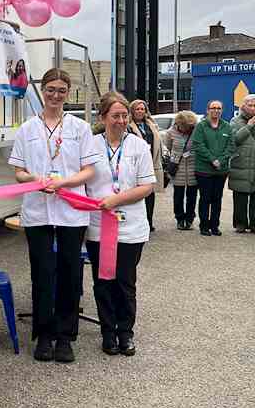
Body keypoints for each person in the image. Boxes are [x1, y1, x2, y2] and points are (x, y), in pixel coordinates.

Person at [9, 68, 100, 363]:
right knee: (42, 274)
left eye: (61, 90)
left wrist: (62, 183)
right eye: (50, 89)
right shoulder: (27, 128)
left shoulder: (79, 127)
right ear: (42, 90)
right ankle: (44, 335)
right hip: (38, 211)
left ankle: (65, 336)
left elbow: (89, 170)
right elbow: (19, 171)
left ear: (67, 93)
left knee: (71, 275)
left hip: (72, 211)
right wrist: (35, 181)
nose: (55, 95)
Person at [85, 92, 156, 356]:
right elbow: (81, 181)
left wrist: (115, 199)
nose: (121, 120)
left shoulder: (138, 146)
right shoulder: (90, 145)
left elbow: (147, 186)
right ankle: (108, 333)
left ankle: (125, 332)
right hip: (98, 225)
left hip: (130, 227)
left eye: (125, 115)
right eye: (116, 116)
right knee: (103, 280)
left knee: (125, 282)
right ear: (103, 117)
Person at [192, 100, 233, 236]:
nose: (216, 110)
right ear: (208, 110)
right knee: (205, 198)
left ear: (222, 110)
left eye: (219, 108)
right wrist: (212, 159)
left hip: (221, 170)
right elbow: (198, 145)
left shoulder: (227, 127)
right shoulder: (201, 126)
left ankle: (214, 225)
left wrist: (220, 160)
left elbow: (230, 146)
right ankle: (204, 226)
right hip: (204, 170)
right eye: (213, 108)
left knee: (217, 198)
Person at [128, 100, 163, 231]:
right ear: (132, 111)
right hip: (136, 164)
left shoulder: (151, 125)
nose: (140, 111)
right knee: (138, 194)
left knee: (150, 194)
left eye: (142, 109)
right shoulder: (129, 126)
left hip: (152, 163)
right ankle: (139, 222)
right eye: (137, 109)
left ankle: (149, 221)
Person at [162, 110, 199, 230]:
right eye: (185, 126)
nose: (187, 129)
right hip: (177, 168)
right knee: (178, 196)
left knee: (192, 196)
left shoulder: (196, 131)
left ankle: (189, 219)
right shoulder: (170, 133)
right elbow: (167, 148)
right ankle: (179, 218)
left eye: (189, 127)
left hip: (193, 167)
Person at [228, 94, 255, 233]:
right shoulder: (235, 121)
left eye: (254, 105)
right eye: (250, 105)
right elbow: (235, 140)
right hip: (241, 164)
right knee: (240, 198)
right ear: (243, 106)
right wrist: (249, 126)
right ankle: (240, 223)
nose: (252, 108)